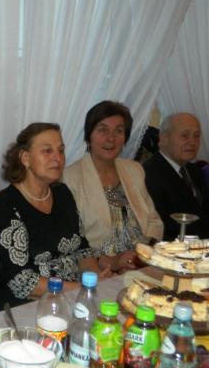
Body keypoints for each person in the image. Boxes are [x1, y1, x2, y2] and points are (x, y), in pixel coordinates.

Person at [0, 123, 105, 306]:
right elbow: (21, 281)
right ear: (25, 158)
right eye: (47, 151)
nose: (58, 157)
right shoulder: (6, 207)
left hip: (74, 295)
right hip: (29, 305)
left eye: (61, 150)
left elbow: (82, 250)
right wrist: (79, 289)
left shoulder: (62, 193)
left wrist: (95, 278)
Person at [64, 100, 163, 267]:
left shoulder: (134, 169)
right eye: (103, 130)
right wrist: (116, 262)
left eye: (119, 131)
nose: (111, 138)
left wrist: (145, 253)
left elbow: (154, 220)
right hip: (101, 268)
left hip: (143, 261)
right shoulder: (69, 178)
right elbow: (73, 242)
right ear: (89, 136)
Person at [143, 113, 209, 239]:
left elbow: (207, 216)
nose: (192, 142)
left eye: (196, 136)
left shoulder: (195, 171)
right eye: (184, 135)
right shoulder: (148, 174)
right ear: (164, 138)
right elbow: (160, 227)